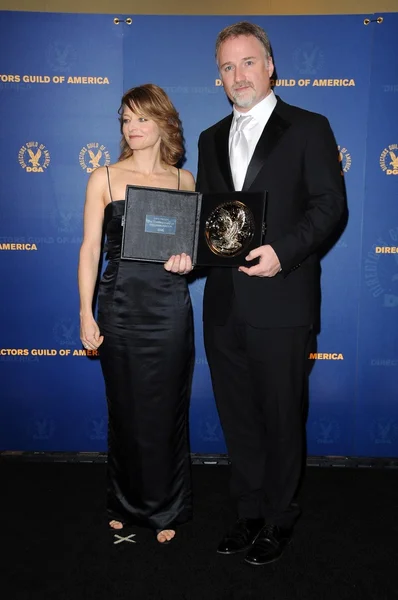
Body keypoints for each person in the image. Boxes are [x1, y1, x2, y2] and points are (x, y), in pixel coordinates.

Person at [195, 22, 346, 565]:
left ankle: (280, 518)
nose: (238, 75)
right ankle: (250, 512)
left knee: (281, 415)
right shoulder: (209, 138)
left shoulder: (308, 127)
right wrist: (188, 254)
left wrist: (285, 251)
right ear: (220, 76)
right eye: (227, 67)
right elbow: (211, 223)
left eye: (248, 62)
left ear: (270, 65)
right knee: (237, 415)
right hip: (222, 304)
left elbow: (330, 206)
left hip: (282, 300)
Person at [78, 83, 195, 544]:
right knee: (125, 410)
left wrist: (189, 260)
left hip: (169, 308)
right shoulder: (104, 177)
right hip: (120, 307)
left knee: (166, 410)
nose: (133, 127)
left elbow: (188, 251)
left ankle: (166, 508)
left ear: (164, 121)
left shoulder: (185, 181)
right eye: (126, 119)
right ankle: (123, 503)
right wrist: (86, 314)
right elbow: (90, 249)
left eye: (142, 117)